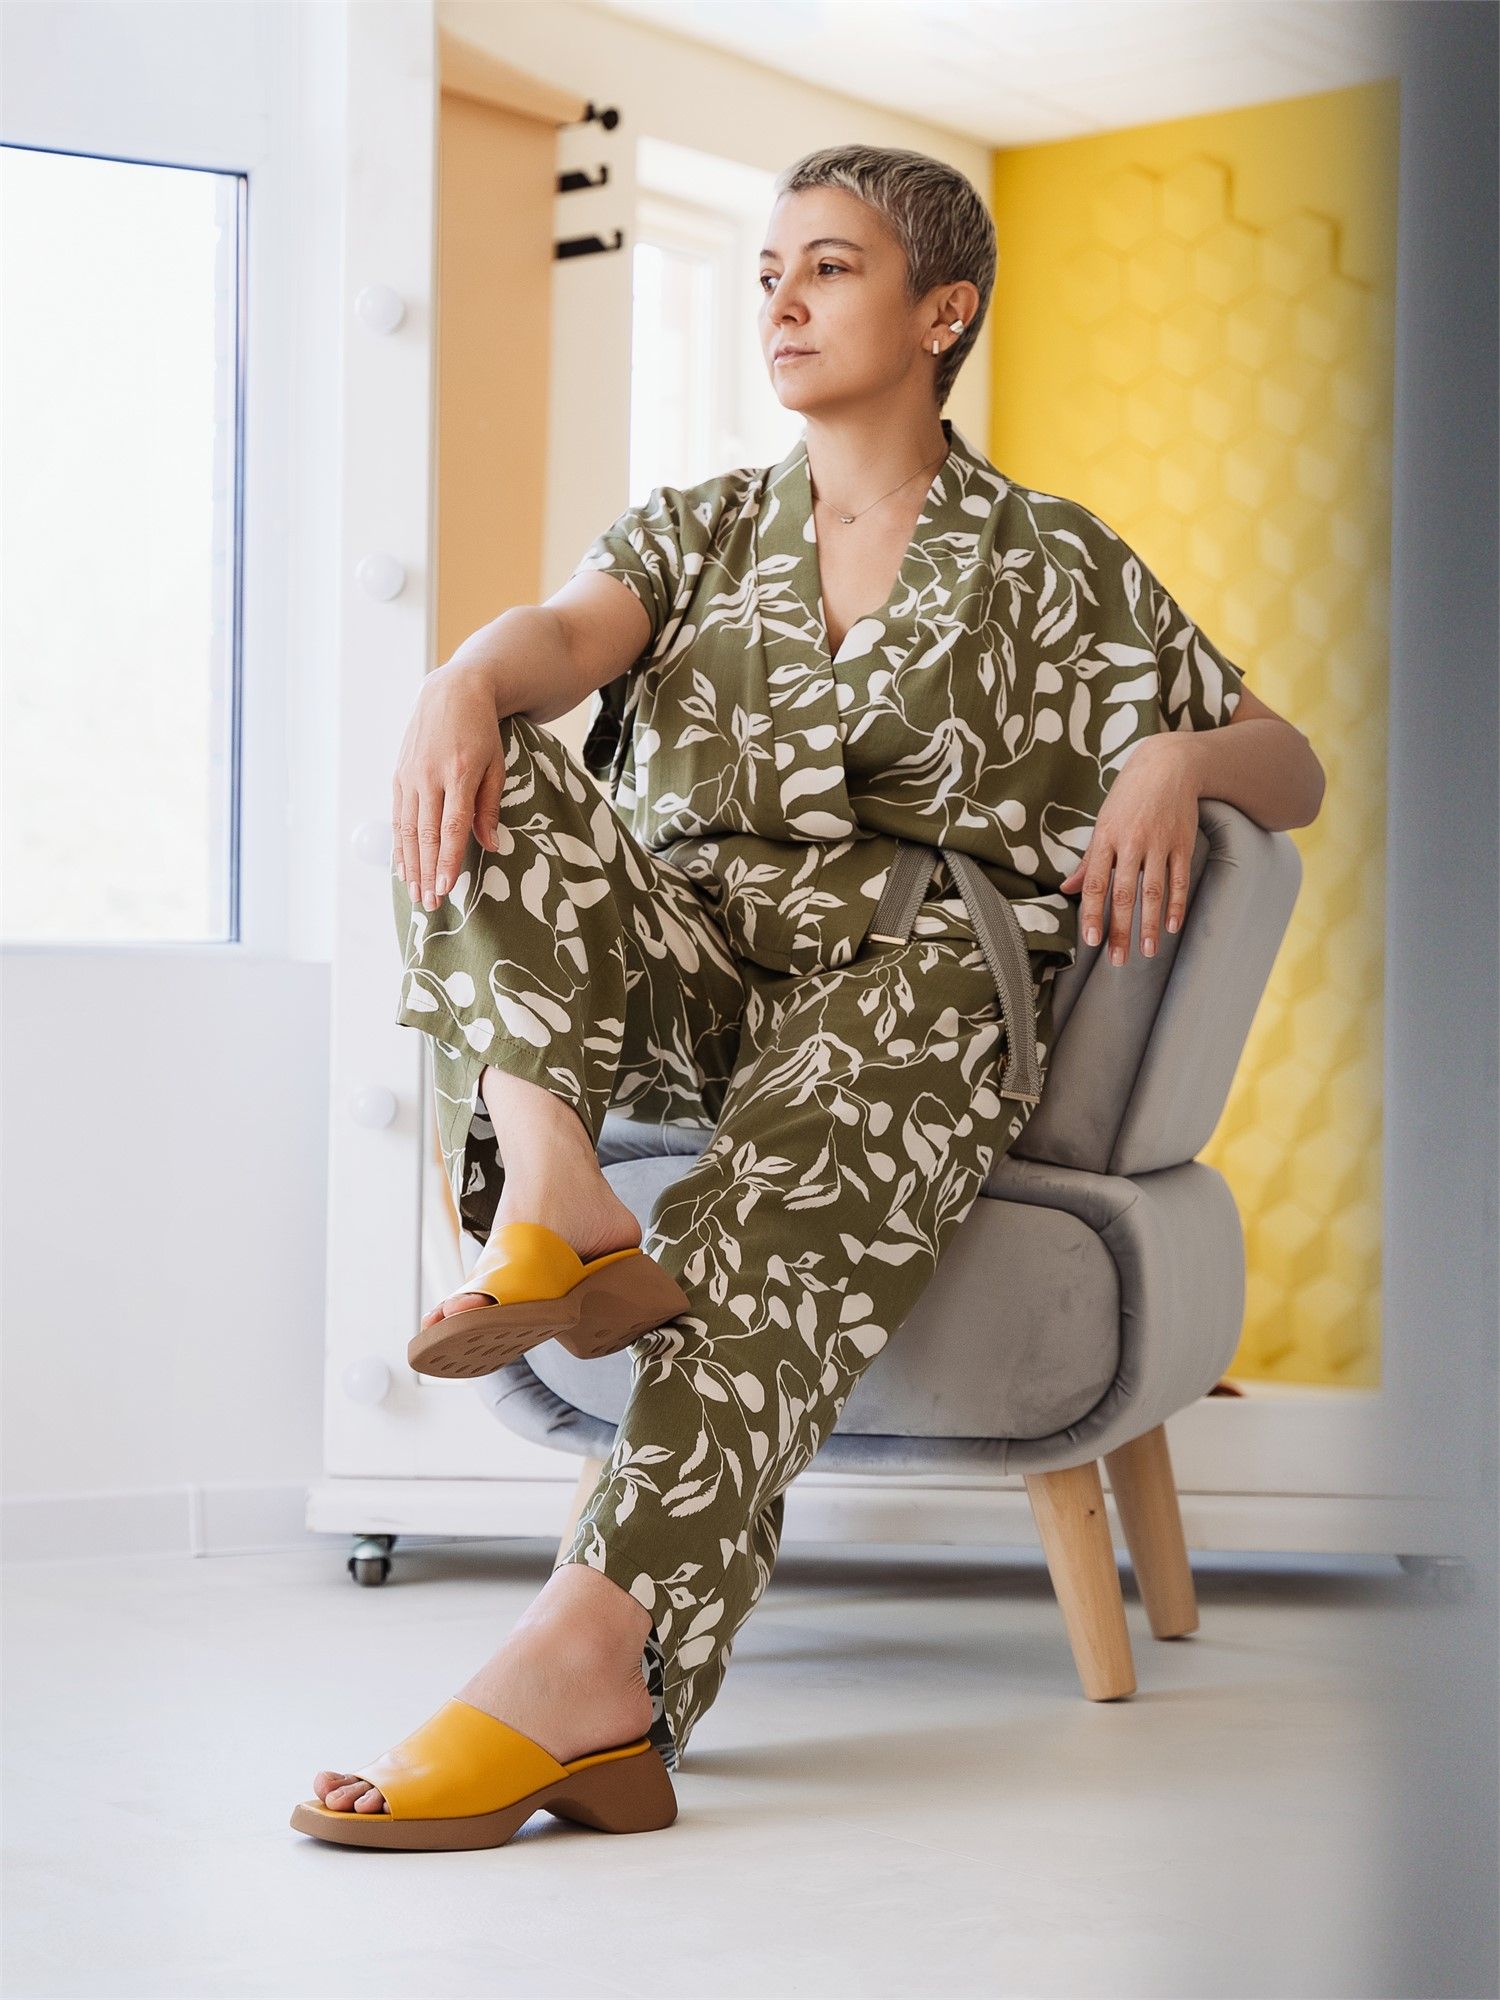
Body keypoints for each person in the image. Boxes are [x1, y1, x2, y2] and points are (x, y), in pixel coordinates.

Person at [305, 143, 1320, 1834]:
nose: (780, 298)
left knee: (771, 1206)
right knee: (489, 760)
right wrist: (463, 677)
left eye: (830, 267)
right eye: (769, 268)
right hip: (696, 968)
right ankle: (557, 1195)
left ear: (943, 312)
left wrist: (1175, 758)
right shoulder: (699, 529)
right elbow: (567, 638)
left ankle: (588, 1657)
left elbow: (1292, 763)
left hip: (920, 984)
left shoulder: (1056, 562)